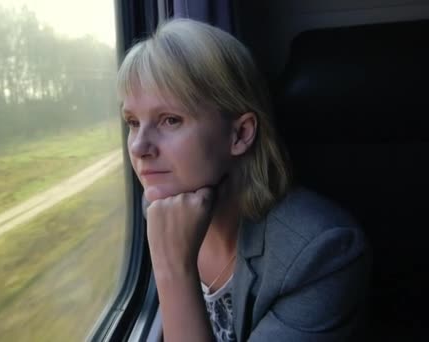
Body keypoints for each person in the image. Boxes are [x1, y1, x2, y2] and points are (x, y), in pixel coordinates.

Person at [116, 18, 371, 342]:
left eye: (170, 120)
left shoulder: (322, 255)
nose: (138, 147)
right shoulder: (162, 203)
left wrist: (174, 273)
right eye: (133, 122)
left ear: (240, 134)